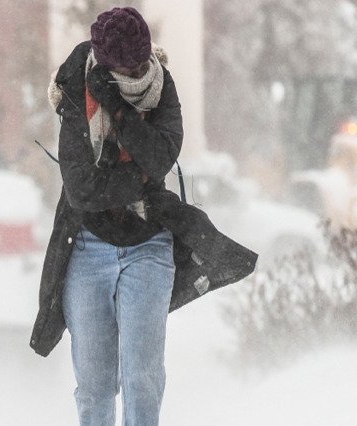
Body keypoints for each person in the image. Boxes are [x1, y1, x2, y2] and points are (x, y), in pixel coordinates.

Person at [30, 7, 258, 426]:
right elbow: (82, 187)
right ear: (103, 60)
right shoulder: (77, 86)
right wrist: (143, 184)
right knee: (95, 387)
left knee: (142, 380)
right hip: (86, 247)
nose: (135, 73)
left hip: (149, 248)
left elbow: (160, 155)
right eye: (125, 68)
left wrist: (117, 106)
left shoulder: (160, 87)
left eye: (140, 63)